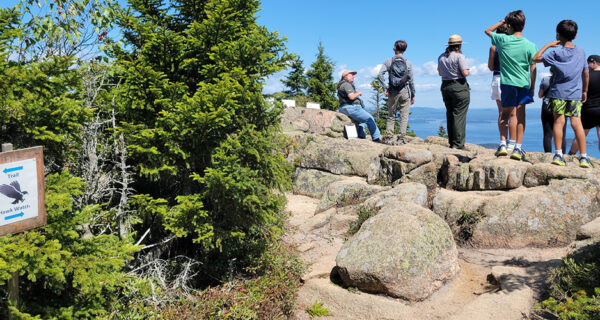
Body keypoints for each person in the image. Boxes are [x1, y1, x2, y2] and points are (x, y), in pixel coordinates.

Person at [533, 20, 590, 168]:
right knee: (577, 123)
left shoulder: (556, 53)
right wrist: (585, 90)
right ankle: (583, 157)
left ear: (558, 35)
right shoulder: (581, 52)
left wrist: (547, 45)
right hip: (575, 94)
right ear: (575, 35)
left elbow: (536, 58)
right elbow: (585, 72)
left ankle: (558, 155)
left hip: (558, 93)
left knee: (559, 122)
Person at [485, 10, 537, 160]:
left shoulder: (502, 40)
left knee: (504, 114)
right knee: (520, 116)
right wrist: (532, 86)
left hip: (507, 83)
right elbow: (533, 67)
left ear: (509, 25)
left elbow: (487, 31)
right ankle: (517, 147)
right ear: (524, 26)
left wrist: (502, 22)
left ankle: (502, 143)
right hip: (523, 84)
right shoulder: (530, 45)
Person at [377, 40, 416, 139]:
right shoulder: (408, 63)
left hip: (392, 92)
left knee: (391, 115)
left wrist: (385, 88)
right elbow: (411, 80)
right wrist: (413, 94)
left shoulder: (388, 61)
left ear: (395, 48)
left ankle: (389, 136)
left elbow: (380, 75)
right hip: (405, 92)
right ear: (404, 49)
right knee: (404, 116)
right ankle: (401, 137)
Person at [437, 34, 470, 149]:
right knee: (459, 115)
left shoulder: (441, 57)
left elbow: (440, 73)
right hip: (459, 86)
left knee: (450, 114)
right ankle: (458, 144)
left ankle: (452, 142)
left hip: (445, 86)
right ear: (459, 45)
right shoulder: (460, 56)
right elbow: (465, 72)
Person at [487, 23, 517, 151]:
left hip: (497, 79)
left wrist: (501, 21)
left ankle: (502, 142)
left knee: (501, 113)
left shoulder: (494, 47)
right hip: (510, 79)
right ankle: (513, 143)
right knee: (513, 114)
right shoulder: (513, 46)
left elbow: (490, 67)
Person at [337, 70, 382, 142]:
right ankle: (376, 138)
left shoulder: (341, 85)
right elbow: (351, 97)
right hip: (351, 107)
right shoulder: (346, 84)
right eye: (351, 75)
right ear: (345, 77)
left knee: (361, 121)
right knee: (370, 119)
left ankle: (361, 136)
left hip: (343, 108)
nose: (353, 76)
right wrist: (358, 93)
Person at [569, 55, 600, 154]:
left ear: (594, 62)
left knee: (581, 134)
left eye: (588, 64)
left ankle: (571, 155)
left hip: (589, 108)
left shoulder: (586, 76)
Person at [539, 73, 567, 152]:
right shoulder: (565, 80)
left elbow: (540, 95)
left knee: (547, 134)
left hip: (547, 107)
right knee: (562, 134)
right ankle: (562, 155)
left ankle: (548, 155)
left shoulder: (546, 79)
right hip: (561, 107)